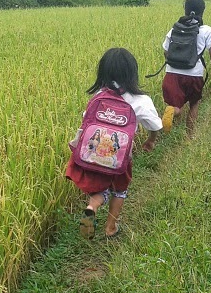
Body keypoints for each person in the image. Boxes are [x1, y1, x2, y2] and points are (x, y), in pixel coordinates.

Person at [65, 47, 162, 239]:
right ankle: (110, 227)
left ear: (103, 72)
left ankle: (92, 207)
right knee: (120, 190)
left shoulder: (99, 96)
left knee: (100, 188)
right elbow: (155, 125)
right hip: (120, 158)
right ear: (132, 72)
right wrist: (151, 140)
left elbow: (86, 121)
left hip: (94, 153)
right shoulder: (141, 100)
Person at [160, 0, 211, 137]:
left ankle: (173, 111)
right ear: (202, 11)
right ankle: (190, 136)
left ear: (185, 10)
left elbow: (166, 51)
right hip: (194, 75)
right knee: (194, 103)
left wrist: (174, 64)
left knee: (176, 107)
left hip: (172, 74)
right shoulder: (206, 30)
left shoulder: (175, 29)